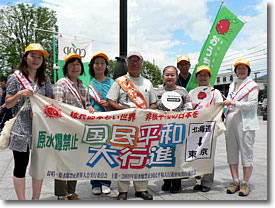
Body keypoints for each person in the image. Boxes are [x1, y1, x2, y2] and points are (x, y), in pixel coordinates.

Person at [5, 43, 53, 200]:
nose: (36, 60)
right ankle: (21, 200)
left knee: (38, 167)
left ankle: (36, 200)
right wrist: (19, 94)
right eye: (33, 56)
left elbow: (50, 102)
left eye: (40, 57)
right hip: (21, 129)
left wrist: (42, 112)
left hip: (40, 128)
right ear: (26, 58)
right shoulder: (15, 77)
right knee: (20, 166)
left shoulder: (45, 79)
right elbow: (8, 103)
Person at [107, 51, 157, 200]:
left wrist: (146, 111)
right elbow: (111, 101)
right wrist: (127, 111)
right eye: (131, 60)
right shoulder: (120, 81)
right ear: (127, 64)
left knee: (141, 156)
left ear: (142, 64)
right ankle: (122, 190)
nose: (134, 63)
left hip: (143, 126)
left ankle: (141, 189)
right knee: (123, 156)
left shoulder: (148, 83)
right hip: (124, 125)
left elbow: (154, 103)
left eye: (137, 60)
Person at [53, 53, 94, 200]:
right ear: (66, 68)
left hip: (78, 128)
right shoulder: (61, 84)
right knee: (62, 161)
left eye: (78, 65)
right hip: (64, 128)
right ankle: (62, 194)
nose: (75, 67)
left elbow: (87, 104)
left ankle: (71, 192)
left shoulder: (82, 85)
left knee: (75, 161)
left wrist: (89, 109)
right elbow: (58, 106)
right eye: (72, 64)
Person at [222, 58, 259, 197]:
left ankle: (245, 183)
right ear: (236, 70)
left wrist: (234, 103)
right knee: (231, 151)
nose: (241, 70)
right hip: (231, 121)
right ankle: (235, 181)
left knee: (246, 152)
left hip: (245, 123)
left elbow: (252, 104)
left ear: (248, 70)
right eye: (239, 68)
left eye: (244, 68)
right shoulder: (232, 85)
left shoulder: (252, 85)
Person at [156, 65, 192, 193]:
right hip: (163, 128)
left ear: (176, 77)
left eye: (172, 75)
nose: (169, 77)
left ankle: (177, 182)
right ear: (163, 76)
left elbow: (189, 107)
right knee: (165, 154)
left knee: (177, 155)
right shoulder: (158, 91)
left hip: (179, 128)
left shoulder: (182, 91)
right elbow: (153, 107)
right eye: (167, 75)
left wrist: (179, 114)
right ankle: (166, 180)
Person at [189, 65, 224, 192]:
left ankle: (207, 182)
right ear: (197, 77)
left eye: (205, 75)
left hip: (209, 129)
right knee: (196, 155)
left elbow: (220, 108)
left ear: (209, 77)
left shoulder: (216, 93)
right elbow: (188, 110)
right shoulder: (192, 93)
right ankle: (198, 180)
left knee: (208, 155)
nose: (203, 77)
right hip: (195, 129)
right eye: (200, 75)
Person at [88, 51, 114, 195]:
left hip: (109, 122)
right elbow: (84, 101)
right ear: (92, 66)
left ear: (106, 66)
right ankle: (95, 183)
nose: (99, 66)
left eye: (102, 63)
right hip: (93, 123)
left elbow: (116, 101)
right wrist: (88, 106)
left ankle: (106, 181)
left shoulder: (112, 82)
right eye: (96, 63)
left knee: (107, 151)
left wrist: (109, 103)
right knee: (94, 152)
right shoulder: (87, 82)